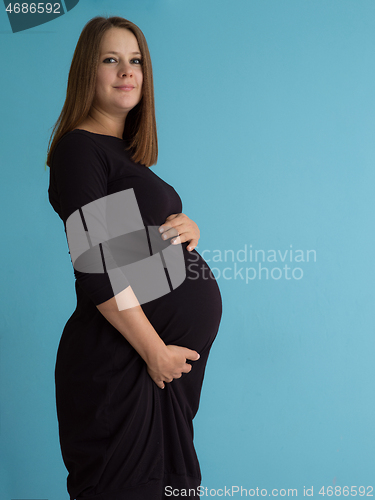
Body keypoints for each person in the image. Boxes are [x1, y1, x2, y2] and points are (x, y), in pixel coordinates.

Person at [47, 15, 222, 500]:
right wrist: (154, 351)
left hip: (157, 373)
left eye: (136, 61)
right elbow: (95, 266)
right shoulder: (80, 149)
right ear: (88, 70)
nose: (127, 71)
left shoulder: (125, 154)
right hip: (125, 364)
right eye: (111, 60)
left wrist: (182, 230)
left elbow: (120, 250)